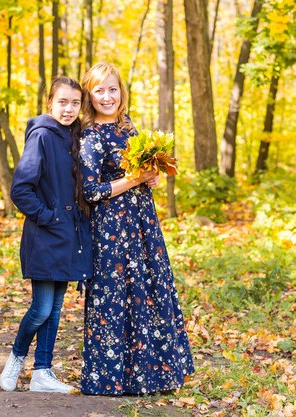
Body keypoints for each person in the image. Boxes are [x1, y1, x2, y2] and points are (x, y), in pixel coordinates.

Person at [78, 63, 195, 395]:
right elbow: (92, 191)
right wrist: (136, 179)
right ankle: (111, 378)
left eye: (112, 89)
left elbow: (142, 175)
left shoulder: (129, 128)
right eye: (99, 90)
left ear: (121, 92)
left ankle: (148, 374)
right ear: (89, 95)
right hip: (112, 228)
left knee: (145, 291)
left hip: (142, 223)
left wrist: (152, 176)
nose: (107, 96)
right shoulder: (90, 135)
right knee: (115, 296)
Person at [0, 76, 93, 394]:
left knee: (54, 310)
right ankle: (16, 359)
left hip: (69, 237)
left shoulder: (77, 136)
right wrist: (48, 217)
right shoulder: (41, 134)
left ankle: (42, 372)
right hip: (45, 235)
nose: (68, 109)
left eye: (75, 103)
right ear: (50, 102)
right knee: (40, 308)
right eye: (62, 102)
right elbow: (21, 189)